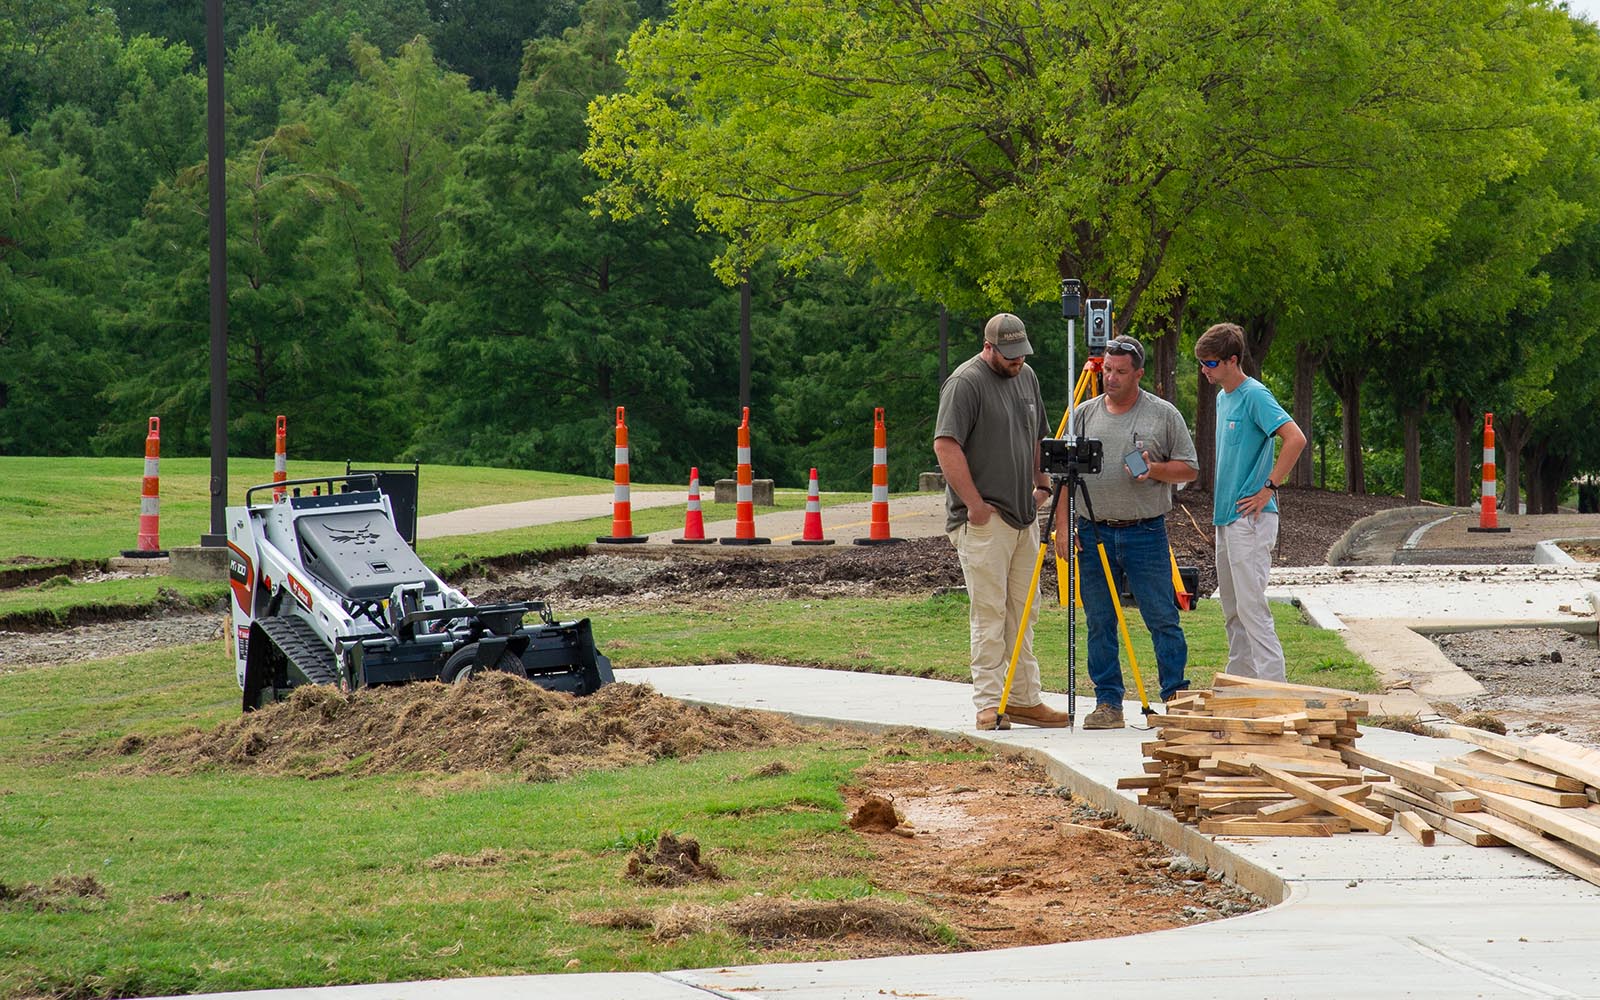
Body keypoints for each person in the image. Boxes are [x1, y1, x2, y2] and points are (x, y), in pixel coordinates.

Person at [934, 313, 1071, 731]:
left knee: (1022, 613)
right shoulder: (965, 383)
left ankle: (1025, 699)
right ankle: (989, 705)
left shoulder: (1026, 377)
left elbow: (1037, 438)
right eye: (1009, 355)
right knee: (990, 614)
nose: (1016, 362)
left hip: (1023, 516)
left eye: (1021, 354)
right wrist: (974, 504)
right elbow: (946, 445)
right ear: (988, 347)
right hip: (983, 520)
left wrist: (1043, 485)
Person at [1053, 335, 1198, 730]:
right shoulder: (1082, 414)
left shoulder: (1163, 415)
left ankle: (1174, 698)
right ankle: (1108, 704)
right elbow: (1064, 474)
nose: (1110, 379)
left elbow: (1189, 468)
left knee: (1161, 617)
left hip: (1145, 532)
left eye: (1119, 372)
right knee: (1100, 621)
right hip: (1092, 531)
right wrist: (1063, 525)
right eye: (1106, 371)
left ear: (1138, 373)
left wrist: (1154, 470)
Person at [1195, 322, 1307, 682]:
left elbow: (1295, 439)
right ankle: (1239, 683)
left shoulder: (1255, 395)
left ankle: (1274, 687)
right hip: (1226, 517)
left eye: (1210, 364)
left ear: (1232, 360)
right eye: (1201, 363)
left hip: (1251, 518)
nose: (1204, 371)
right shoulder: (1223, 397)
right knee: (1232, 609)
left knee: (1252, 607)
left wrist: (1269, 488)